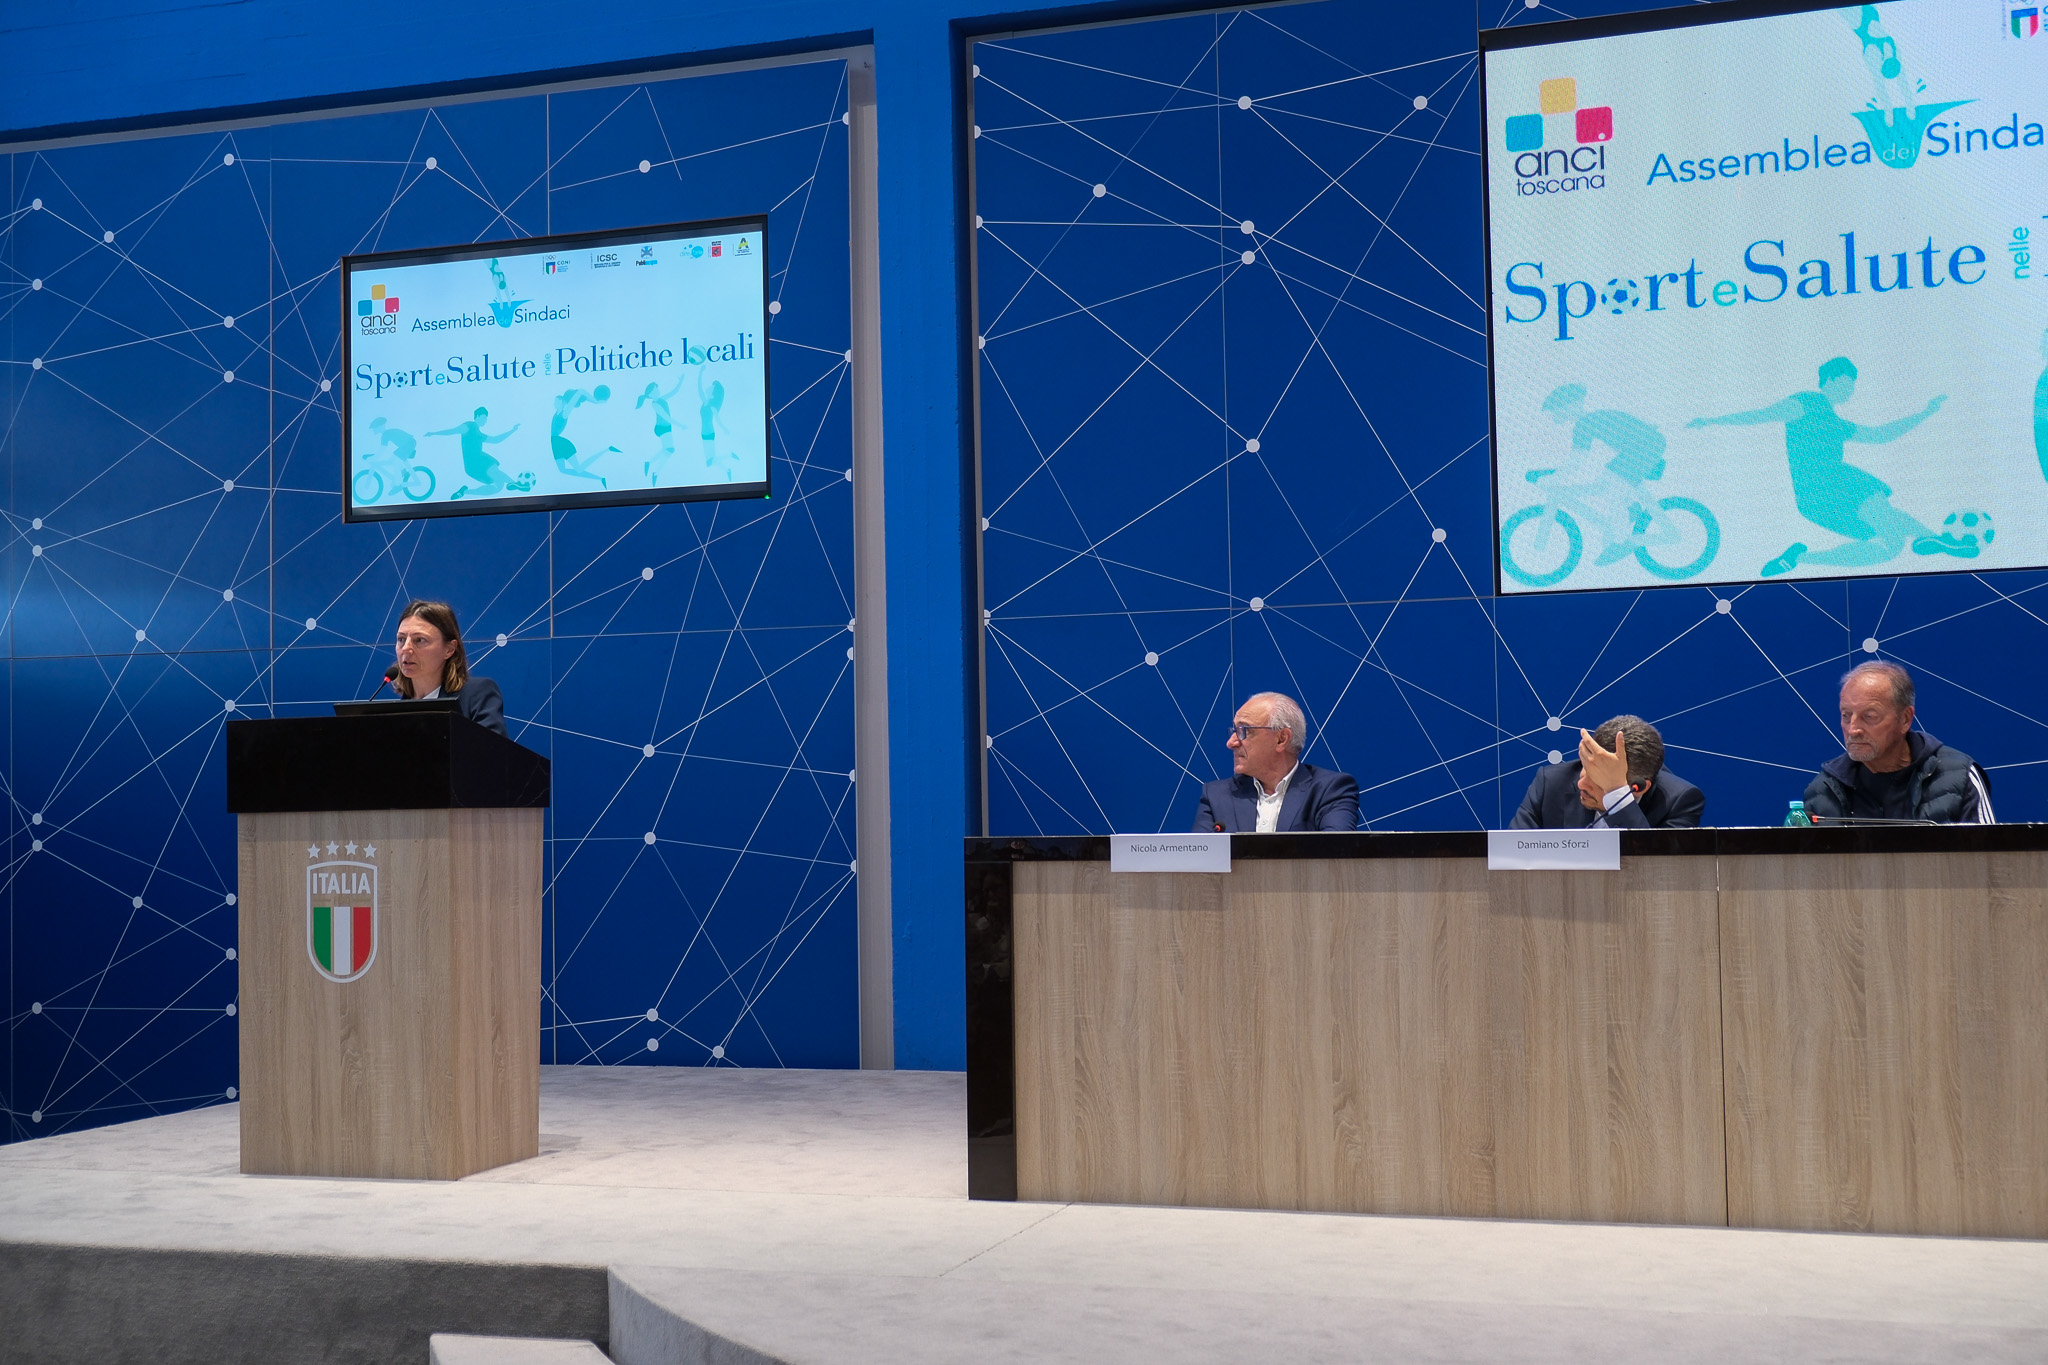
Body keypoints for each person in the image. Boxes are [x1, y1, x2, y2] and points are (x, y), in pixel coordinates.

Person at [1687, 358, 1961, 577]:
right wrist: (1712, 421)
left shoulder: (1836, 422)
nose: (1850, 390)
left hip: (1818, 496)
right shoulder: (1804, 403)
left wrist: (1926, 413)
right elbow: (1762, 414)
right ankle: (1941, 541)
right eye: (1845, 382)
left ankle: (1799, 558)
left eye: (1853, 385)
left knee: (1891, 545)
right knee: (1885, 518)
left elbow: (1880, 435)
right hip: (1827, 485)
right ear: (1828, 380)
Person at [1802, 661, 1992, 822]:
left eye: (1869, 716)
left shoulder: (1959, 776)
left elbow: (1988, 853)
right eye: (1846, 715)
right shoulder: (1823, 791)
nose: (1853, 730)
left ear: (1905, 719)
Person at [1538, 383, 1670, 566]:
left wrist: (1554, 478)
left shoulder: (1585, 424)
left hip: (1646, 446)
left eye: (1557, 409)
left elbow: (1577, 460)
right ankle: (1631, 509)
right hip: (1646, 445)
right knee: (1608, 479)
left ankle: (1621, 542)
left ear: (1571, 406)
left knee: (1614, 482)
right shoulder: (1592, 419)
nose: (1554, 415)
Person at [1193, 692, 1358, 832]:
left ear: (1281, 739)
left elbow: (1336, 852)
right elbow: (1200, 857)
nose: (1231, 743)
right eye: (1234, 730)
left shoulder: (1329, 791)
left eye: (1244, 731)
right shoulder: (1217, 796)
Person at [1511, 714, 1704, 829]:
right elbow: (1512, 858)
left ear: (1638, 787)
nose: (1581, 784)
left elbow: (1657, 872)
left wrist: (1617, 796)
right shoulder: (1551, 783)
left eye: (1598, 779)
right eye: (1586, 767)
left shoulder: (1679, 802)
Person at [391, 599, 505, 736]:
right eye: (401, 639)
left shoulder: (477, 696)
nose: (405, 648)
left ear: (449, 649)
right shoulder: (394, 712)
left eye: (419, 640)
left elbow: (492, 748)